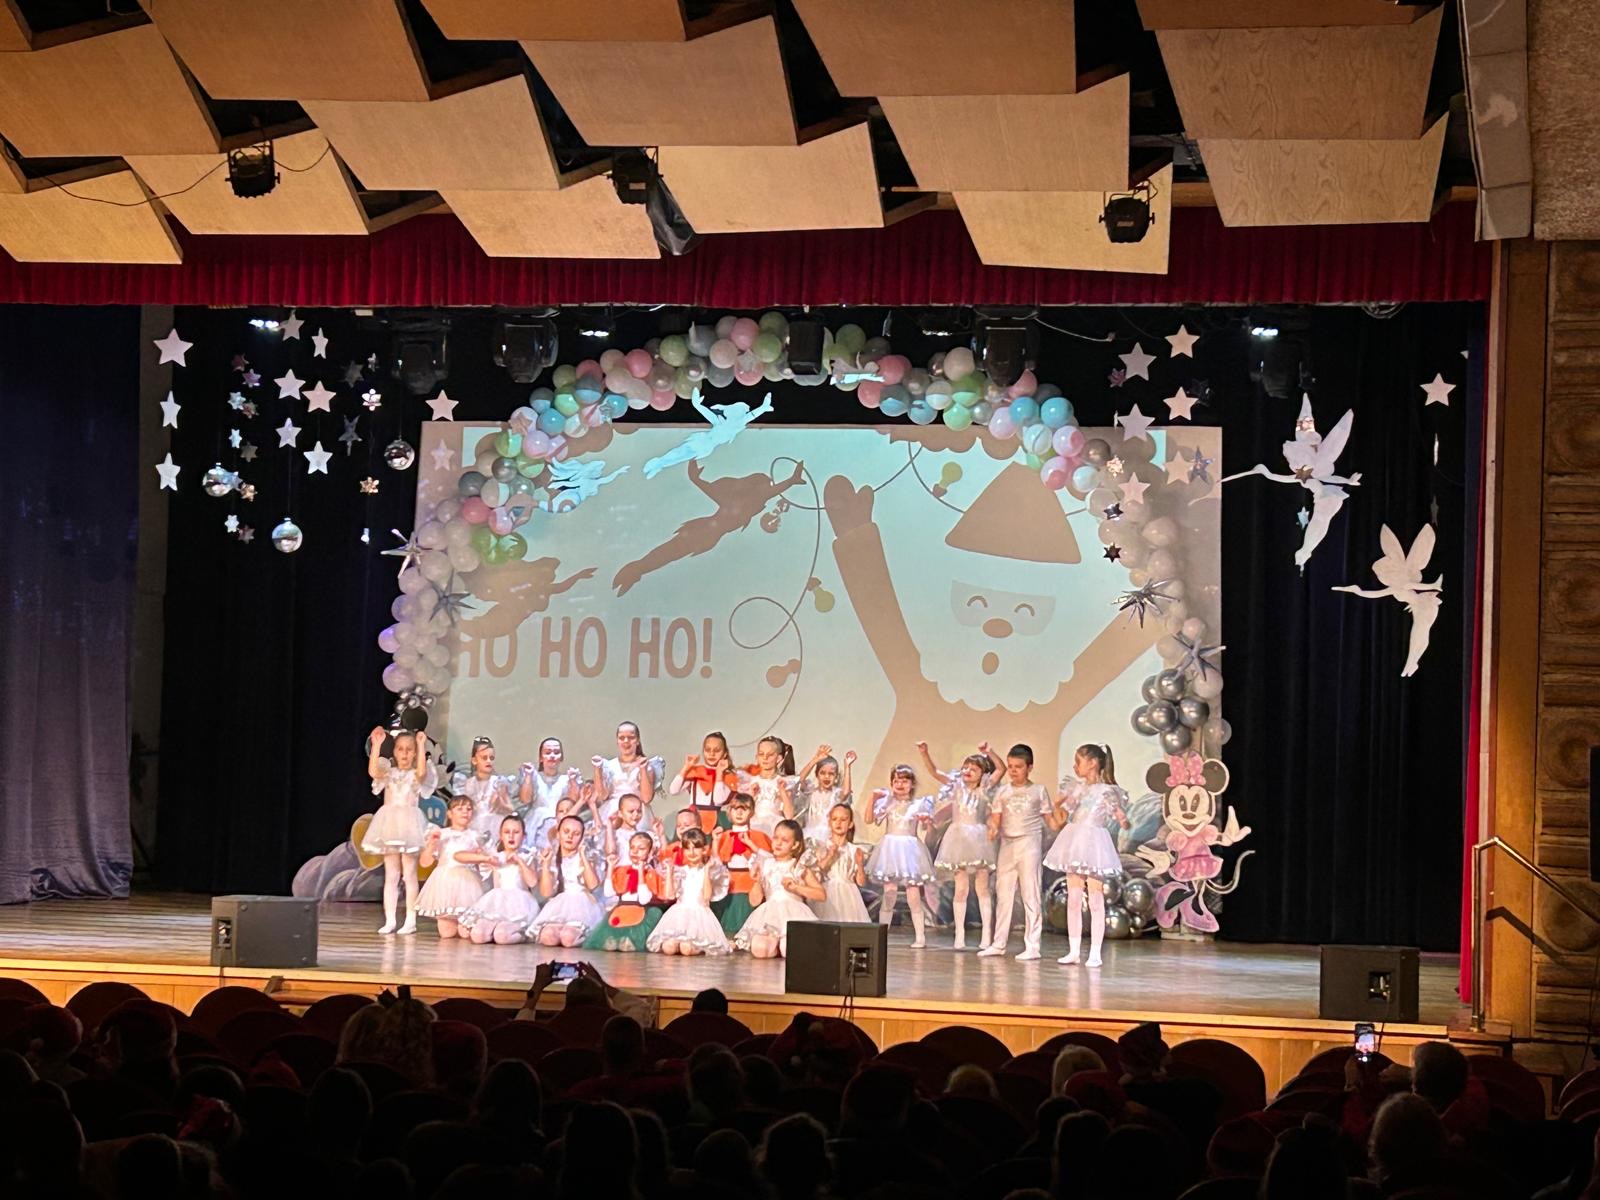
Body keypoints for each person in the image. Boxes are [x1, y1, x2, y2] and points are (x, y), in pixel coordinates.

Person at [1045, 743, 1130, 968]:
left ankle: (1095, 952)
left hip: (1094, 844)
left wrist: (1122, 819)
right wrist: (1059, 804)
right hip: (1074, 841)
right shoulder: (1078, 788)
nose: (1075, 766)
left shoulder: (1107, 791)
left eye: (1078, 761)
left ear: (1092, 763)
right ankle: (1073, 951)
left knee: (1095, 899)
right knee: (1074, 898)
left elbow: (1119, 814)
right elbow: (1065, 812)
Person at [923, 742, 1002, 951]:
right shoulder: (956, 786)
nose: (967, 771)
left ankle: (987, 935)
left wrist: (989, 752)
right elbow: (934, 772)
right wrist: (925, 753)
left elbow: (1001, 769)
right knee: (961, 888)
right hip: (958, 839)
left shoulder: (985, 788)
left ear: (983, 774)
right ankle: (959, 935)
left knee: (982, 887)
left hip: (979, 839)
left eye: (973, 769)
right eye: (965, 767)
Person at [980, 743, 1053, 961]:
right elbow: (996, 819)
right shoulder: (1002, 792)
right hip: (1007, 845)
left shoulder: (1038, 791)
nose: (1012, 771)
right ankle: (998, 943)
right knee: (1003, 894)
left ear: (1029, 767)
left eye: (1018, 767)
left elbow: (1051, 820)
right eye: (1010, 766)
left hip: (1029, 844)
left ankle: (1033, 945)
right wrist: (992, 829)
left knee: (1030, 893)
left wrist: (1061, 815)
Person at [363, 727, 438, 936]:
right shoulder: (389, 773)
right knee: (391, 875)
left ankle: (411, 920)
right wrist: (377, 745)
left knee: (410, 874)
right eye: (400, 749)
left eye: (409, 750)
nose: (404, 754)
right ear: (394, 751)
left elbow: (422, 773)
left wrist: (421, 745)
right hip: (390, 825)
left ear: (414, 753)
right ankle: (390, 919)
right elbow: (373, 772)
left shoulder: (416, 774)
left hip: (409, 825)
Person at [865, 764, 937, 948]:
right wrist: (873, 798)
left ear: (912, 784)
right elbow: (869, 819)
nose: (900, 784)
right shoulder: (887, 803)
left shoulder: (919, 804)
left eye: (905, 781)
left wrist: (927, 822)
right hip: (890, 850)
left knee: (913, 895)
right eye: (896, 781)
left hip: (910, 851)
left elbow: (925, 827)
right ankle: (882, 936)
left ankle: (920, 936)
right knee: (889, 894)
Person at [737, 819, 825, 958]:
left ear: (795, 844)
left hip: (794, 914)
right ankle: (774, 944)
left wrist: (796, 888)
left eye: (784, 840)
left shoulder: (798, 866)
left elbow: (821, 895)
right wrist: (757, 881)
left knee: (790, 949)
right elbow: (754, 901)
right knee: (760, 949)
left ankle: (780, 945)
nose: (778, 843)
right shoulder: (766, 864)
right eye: (776, 838)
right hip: (770, 913)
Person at [456, 816, 542, 945]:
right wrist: (486, 859)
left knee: (502, 936)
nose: (511, 836)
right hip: (496, 902)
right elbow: (458, 856)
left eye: (516, 832)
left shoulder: (527, 857)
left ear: (523, 836)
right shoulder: (495, 857)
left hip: (519, 905)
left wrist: (520, 862)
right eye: (507, 832)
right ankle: (492, 931)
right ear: (501, 835)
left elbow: (532, 882)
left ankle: (522, 934)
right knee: (477, 935)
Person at [648, 828, 732, 956]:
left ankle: (700, 948)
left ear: (704, 849)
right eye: (688, 848)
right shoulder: (681, 871)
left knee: (686, 948)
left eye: (696, 848)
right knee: (668, 947)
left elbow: (706, 898)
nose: (691, 852)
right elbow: (669, 895)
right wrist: (670, 872)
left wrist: (707, 871)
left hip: (699, 915)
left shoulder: (708, 870)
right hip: (679, 915)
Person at [415, 795, 487, 939]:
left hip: (468, 884)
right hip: (445, 883)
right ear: (449, 814)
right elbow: (424, 863)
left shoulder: (475, 836)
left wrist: (481, 855)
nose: (465, 812)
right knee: (447, 933)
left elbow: (483, 863)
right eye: (459, 809)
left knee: (465, 933)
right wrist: (432, 845)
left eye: (468, 809)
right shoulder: (441, 834)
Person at [529, 815, 604, 947]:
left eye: (576, 834)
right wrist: (546, 864)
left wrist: (583, 856)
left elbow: (593, 885)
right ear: (558, 834)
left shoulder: (588, 856)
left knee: (568, 937)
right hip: (560, 904)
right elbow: (546, 893)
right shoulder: (553, 858)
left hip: (582, 904)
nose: (570, 836)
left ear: (581, 837)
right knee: (548, 936)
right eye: (566, 832)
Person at [584, 831, 664, 952]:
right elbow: (608, 893)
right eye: (632, 847)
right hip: (622, 908)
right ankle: (613, 940)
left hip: (640, 909)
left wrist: (641, 873)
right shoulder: (622, 871)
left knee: (653, 914)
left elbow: (643, 900)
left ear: (649, 853)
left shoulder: (651, 874)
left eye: (641, 849)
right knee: (613, 925)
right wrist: (611, 867)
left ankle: (629, 941)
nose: (635, 852)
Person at [714, 793, 772, 936]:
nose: (739, 813)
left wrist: (750, 845)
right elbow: (716, 861)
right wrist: (715, 841)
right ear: (730, 811)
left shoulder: (758, 836)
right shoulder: (724, 836)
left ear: (751, 812)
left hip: (750, 882)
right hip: (729, 883)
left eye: (744, 809)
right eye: (735, 809)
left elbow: (768, 859)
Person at [809, 802, 870, 923]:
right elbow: (817, 871)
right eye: (834, 819)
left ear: (850, 824)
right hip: (827, 892)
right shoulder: (821, 846)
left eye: (843, 820)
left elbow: (861, 882)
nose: (838, 823)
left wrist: (860, 864)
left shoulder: (854, 850)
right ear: (829, 822)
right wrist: (830, 855)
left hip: (848, 894)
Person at [451, 735, 518, 843]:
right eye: (484, 758)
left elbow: (510, 809)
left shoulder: (498, 783)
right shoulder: (467, 784)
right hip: (473, 828)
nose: (488, 761)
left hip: (495, 826)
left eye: (491, 758)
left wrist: (500, 804)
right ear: (474, 760)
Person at [670, 731, 739, 833]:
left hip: (716, 820)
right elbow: (673, 790)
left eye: (717, 750)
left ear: (724, 754)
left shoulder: (728, 776)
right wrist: (686, 767)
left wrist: (719, 774)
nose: (711, 754)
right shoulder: (696, 771)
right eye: (707, 750)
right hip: (693, 819)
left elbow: (718, 800)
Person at [593, 721, 661, 818]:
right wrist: (597, 770)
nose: (626, 741)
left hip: (636, 811)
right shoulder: (609, 765)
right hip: (612, 811)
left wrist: (643, 770)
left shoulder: (646, 766)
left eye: (631, 737)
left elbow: (646, 798)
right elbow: (602, 795)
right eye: (621, 738)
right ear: (617, 741)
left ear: (638, 741)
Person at [793, 744, 855, 844]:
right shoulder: (811, 791)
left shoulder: (835, 794)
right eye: (822, 773)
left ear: (836, 777)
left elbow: (846, 792)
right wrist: (815, 760)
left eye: (831, 774)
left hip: (828, 837)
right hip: (809, 835)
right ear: (816, 774)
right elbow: (799, 780)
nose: (827, 777)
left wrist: (847, 766)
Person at [739, 735, 798, 838]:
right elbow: (742, 813)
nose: (765, 758)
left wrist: (782, 792)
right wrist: (751, 795)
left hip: (774, 827)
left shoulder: (784, 782)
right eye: (761, 754)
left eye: (770, 755)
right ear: (757, 757)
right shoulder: (750, 782)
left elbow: (789, 816)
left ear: (778, 758)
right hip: (753, 826)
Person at [518, 735, 580, 829]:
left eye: (556, 752)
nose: (552, 756)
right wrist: (528, 777)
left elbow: (573, 802)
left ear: (561, 757)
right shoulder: (534, 777)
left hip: (560, 823)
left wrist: (573, 782)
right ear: (541, 757)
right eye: (548, 752)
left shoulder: (566, 779)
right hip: (535, 823)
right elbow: (525, 799)